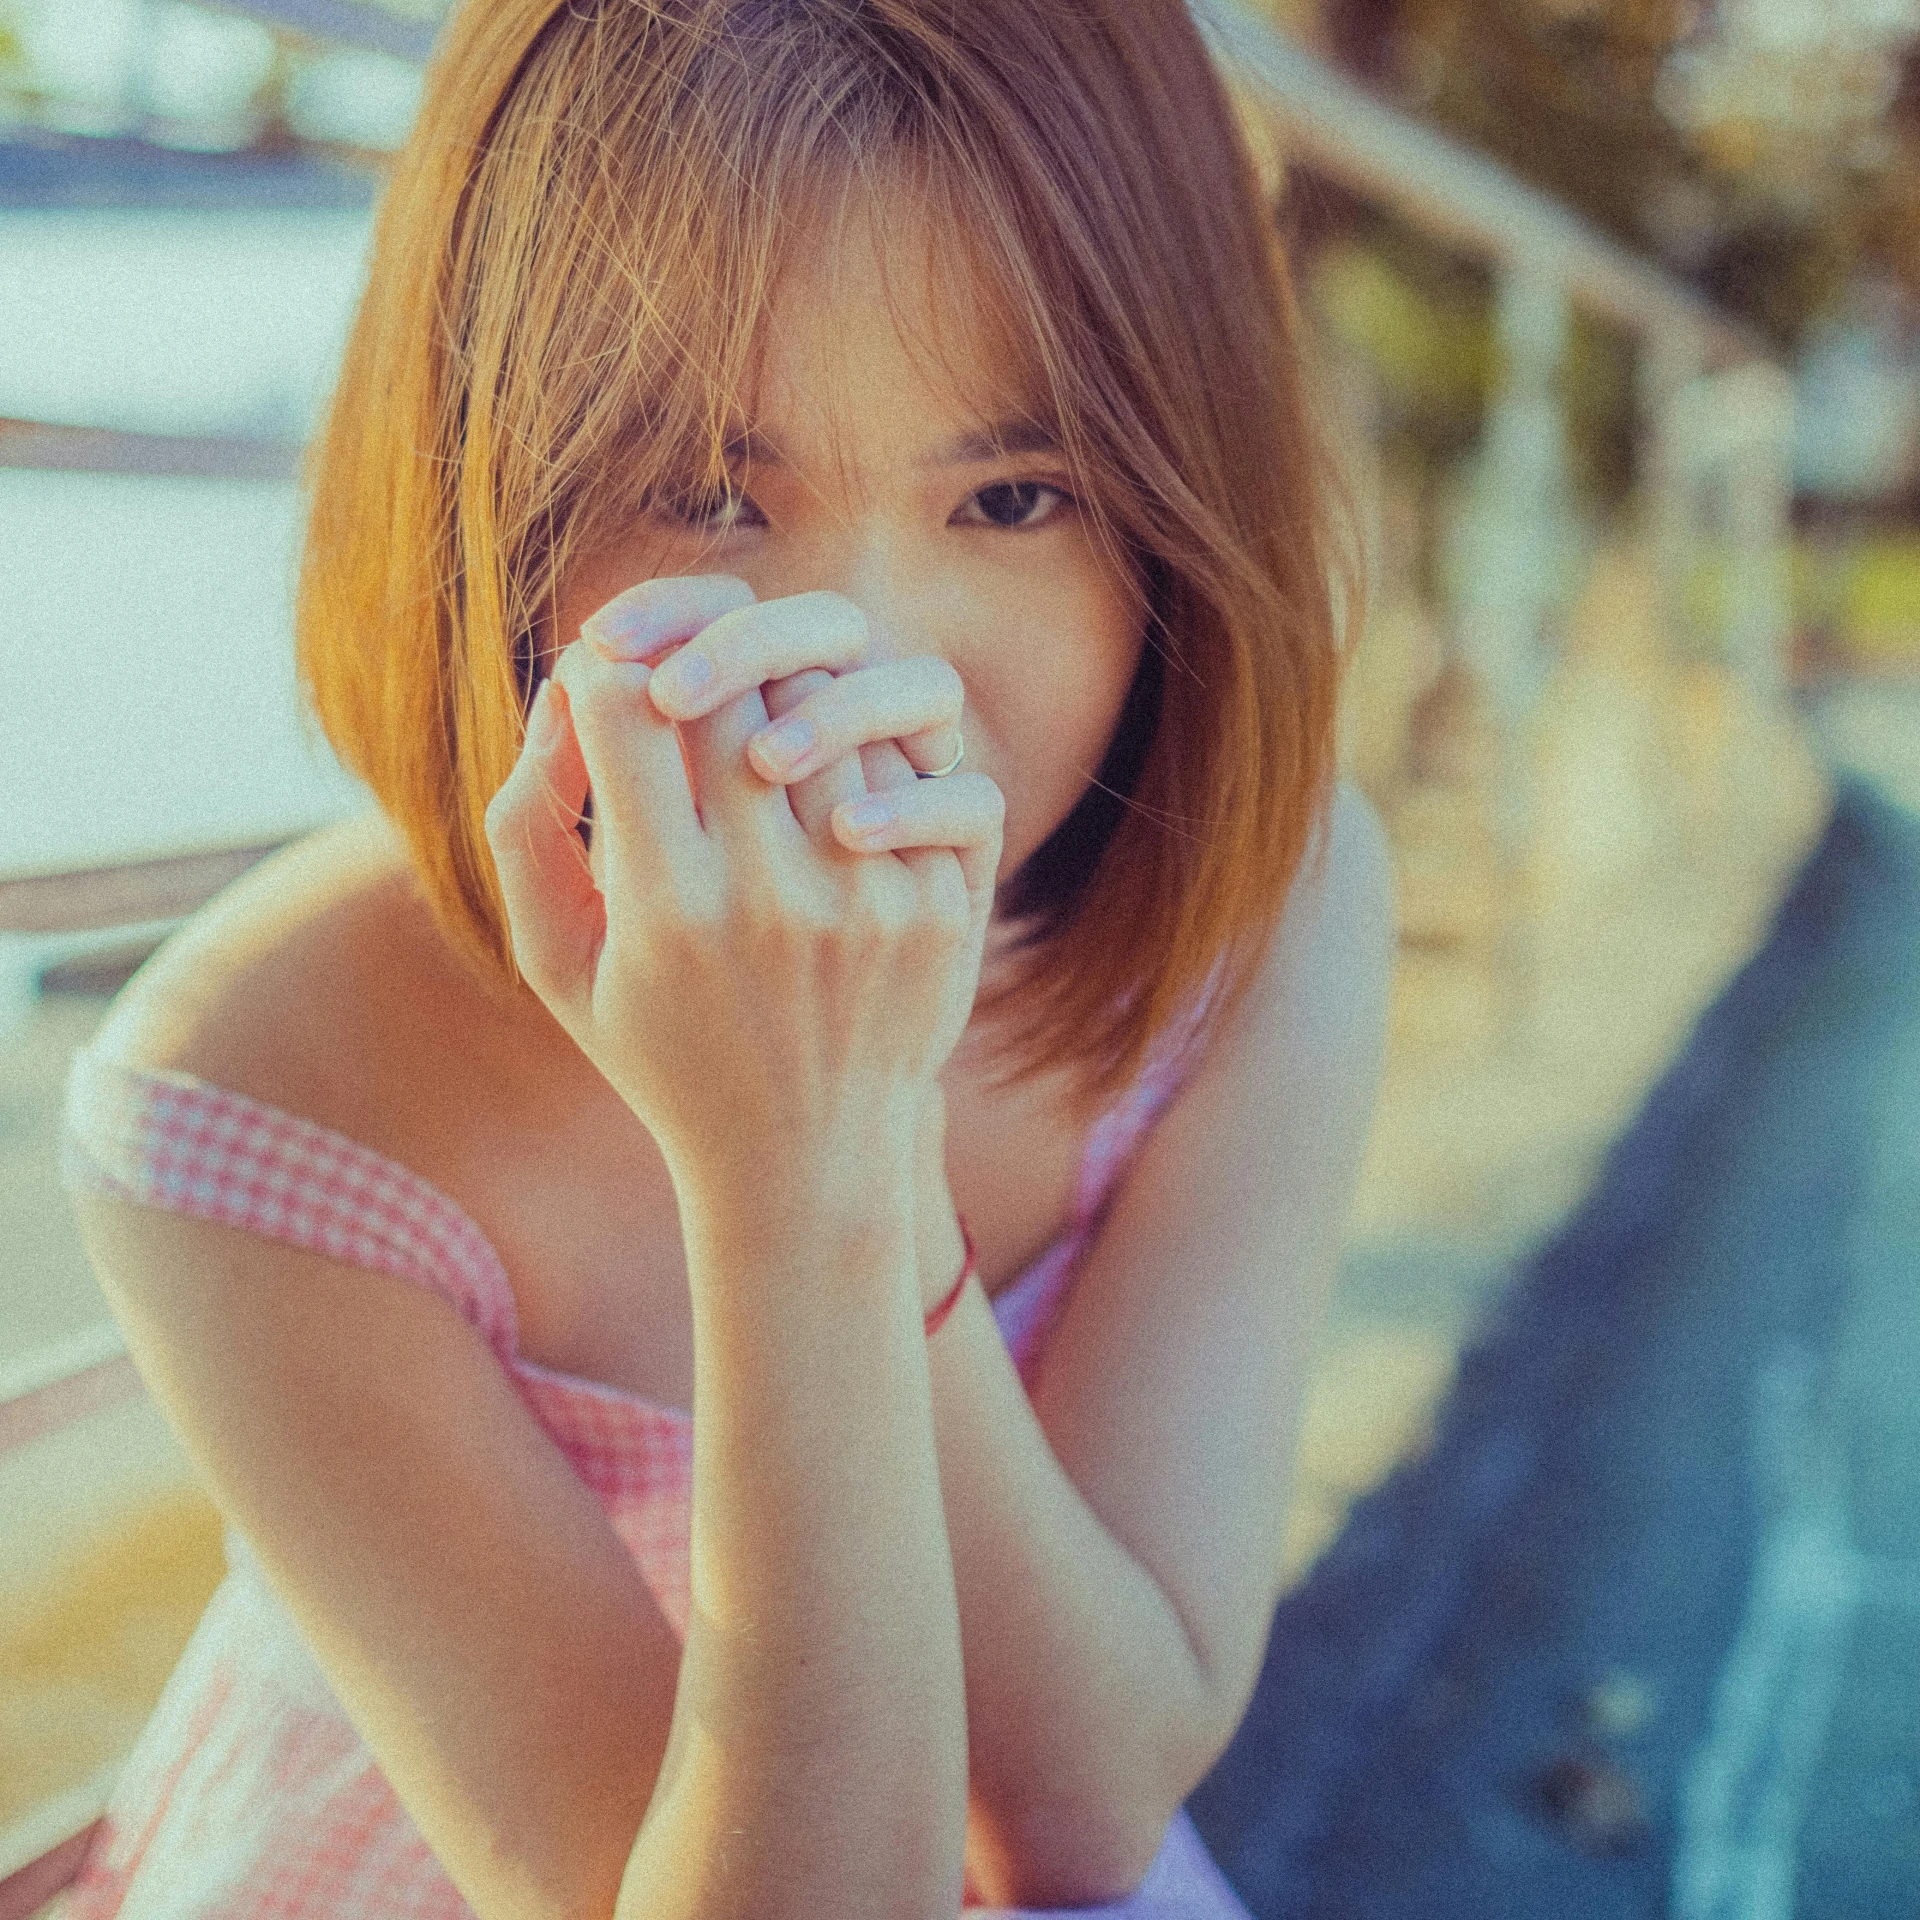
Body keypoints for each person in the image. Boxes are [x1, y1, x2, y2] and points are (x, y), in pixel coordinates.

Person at [53, 0, 1393, 1913]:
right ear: (486, 511)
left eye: (1013, 498)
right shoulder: (248, 1085)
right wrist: (792, 1177)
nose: (864, 663)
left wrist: (841, 1177)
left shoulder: (1266, 916)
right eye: (708, 491)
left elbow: (1081, 1814)